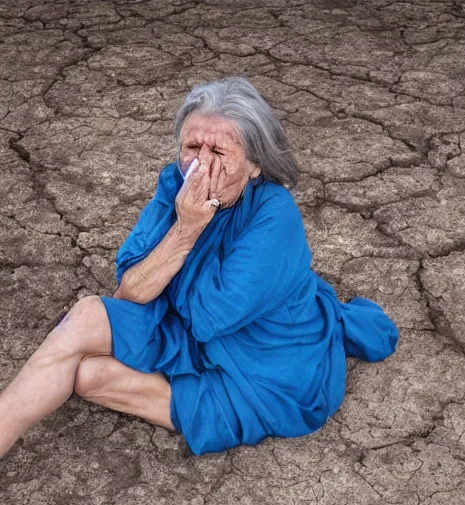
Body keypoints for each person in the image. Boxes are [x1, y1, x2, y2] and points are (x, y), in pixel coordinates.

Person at [0, 77, 399, 458]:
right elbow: (131, 289)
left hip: (261, 358)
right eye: (192, 147)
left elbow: (211, 318)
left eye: (219, 153)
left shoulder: (275, 213)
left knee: (88, 377)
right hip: (185, 325)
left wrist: (188, 227)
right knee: (87, 313)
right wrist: (185, 229)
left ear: (255, 164)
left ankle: (202, 401)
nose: (200, 167)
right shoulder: (175, 182)